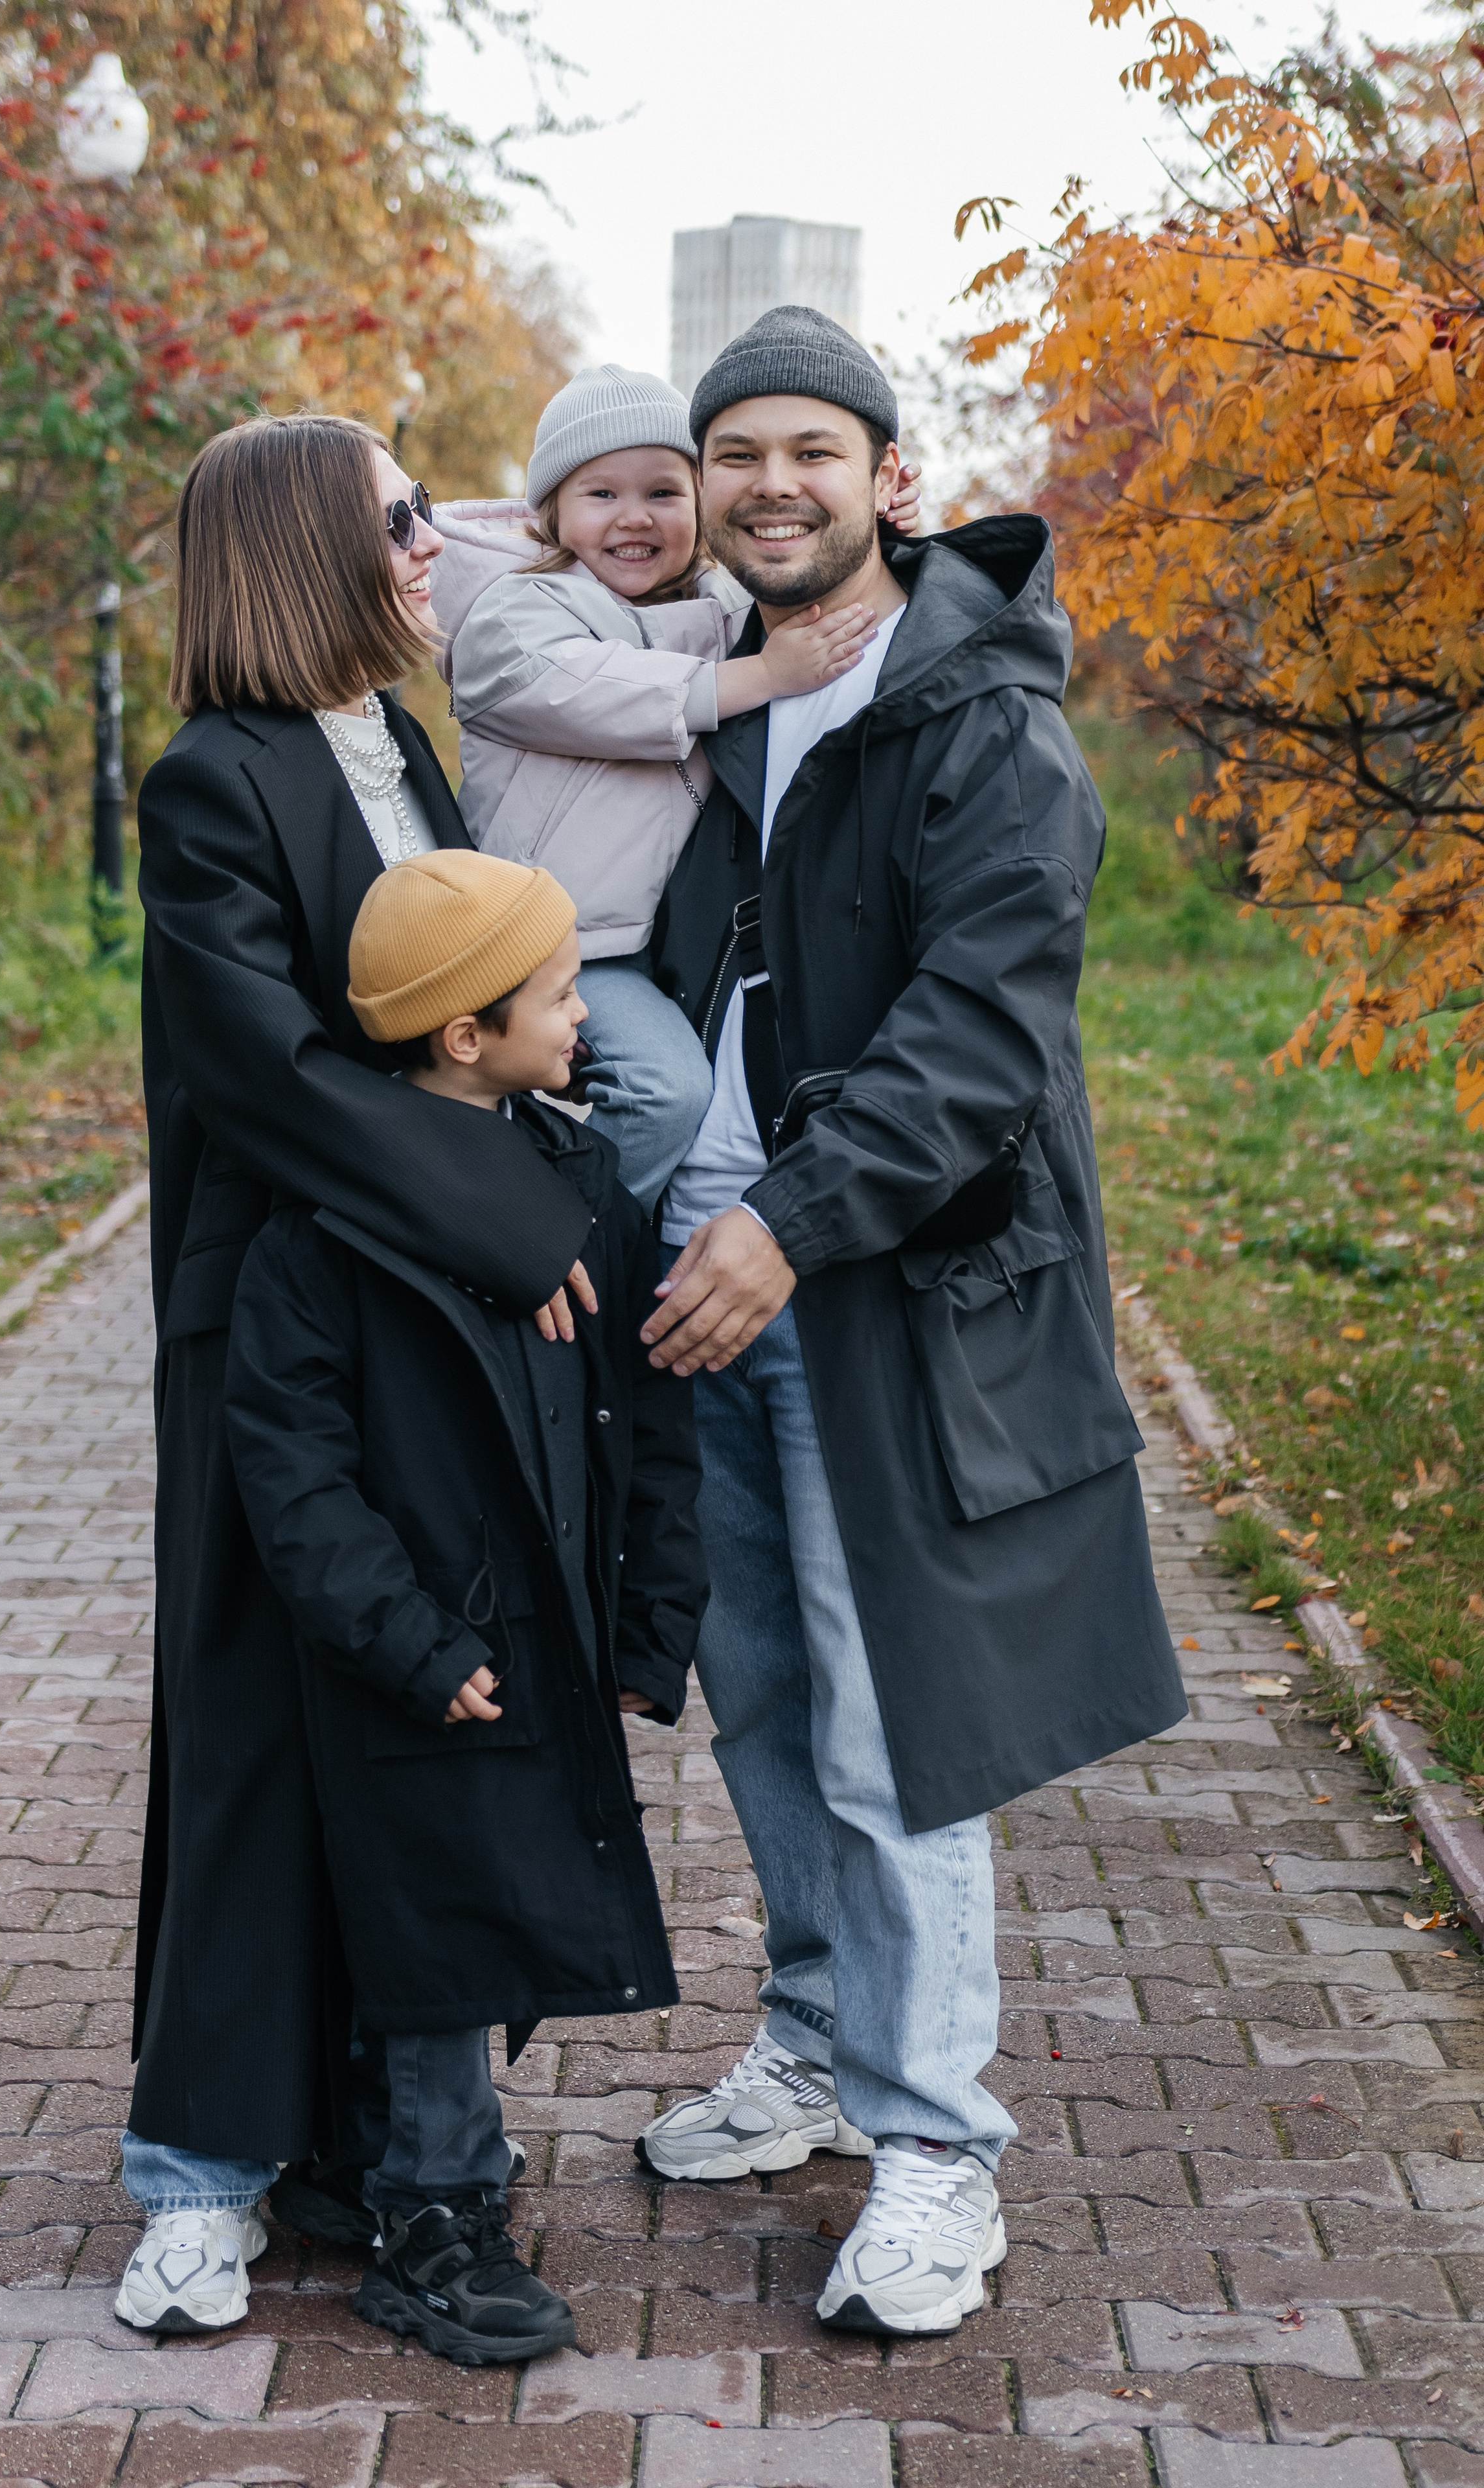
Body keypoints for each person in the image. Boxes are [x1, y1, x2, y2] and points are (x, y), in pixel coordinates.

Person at [635, 307, 1187, 2336]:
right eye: (734, 455)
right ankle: (808, 2041)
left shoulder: (977, 714)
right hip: (695, 1287)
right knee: (764, 1702)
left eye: (810, 449)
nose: (769, 485)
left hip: (880, 1287)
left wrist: (788, 1223)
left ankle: (937, 2146)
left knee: (895, 1734)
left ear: (891, 474)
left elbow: (978, 1037)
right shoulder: (713, 686)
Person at [120, 413, 593, 2334]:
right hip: (273, 1311)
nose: (429, 545)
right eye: (402, 520)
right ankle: (196, 2175)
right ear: (307, 553)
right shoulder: (207, 783)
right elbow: (272, 1074)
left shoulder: (405, 750)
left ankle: (358, 2142)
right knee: (245, 1724)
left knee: (413, 1701)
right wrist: (503, 1216)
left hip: (421, 1315)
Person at [223, 849, 705, 2366]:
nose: (583, 1015)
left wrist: (648, 1624)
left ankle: (367, 2154)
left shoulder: (578, 1186)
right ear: (459, 1034)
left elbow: (647, 1414)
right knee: (447, 1919)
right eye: (558, 993)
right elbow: (294, 1478)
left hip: (548, 1634)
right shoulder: (316, 1244)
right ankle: (435, 2212)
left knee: (500, 1902)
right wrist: (407, 1643)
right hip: (427, 1658)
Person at [427, 365, 920, 1208]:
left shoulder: (712, 606)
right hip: (544, 942)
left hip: (648, 946)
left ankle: (603, 1223)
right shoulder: (512, 614)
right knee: (666, 1092)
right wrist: (761, 676)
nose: (634, 517)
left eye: (663, 491)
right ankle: (554, 1244)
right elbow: (600, 690)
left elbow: (815, 588)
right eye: (601, 494)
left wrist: (883, 530)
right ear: (551, 511)